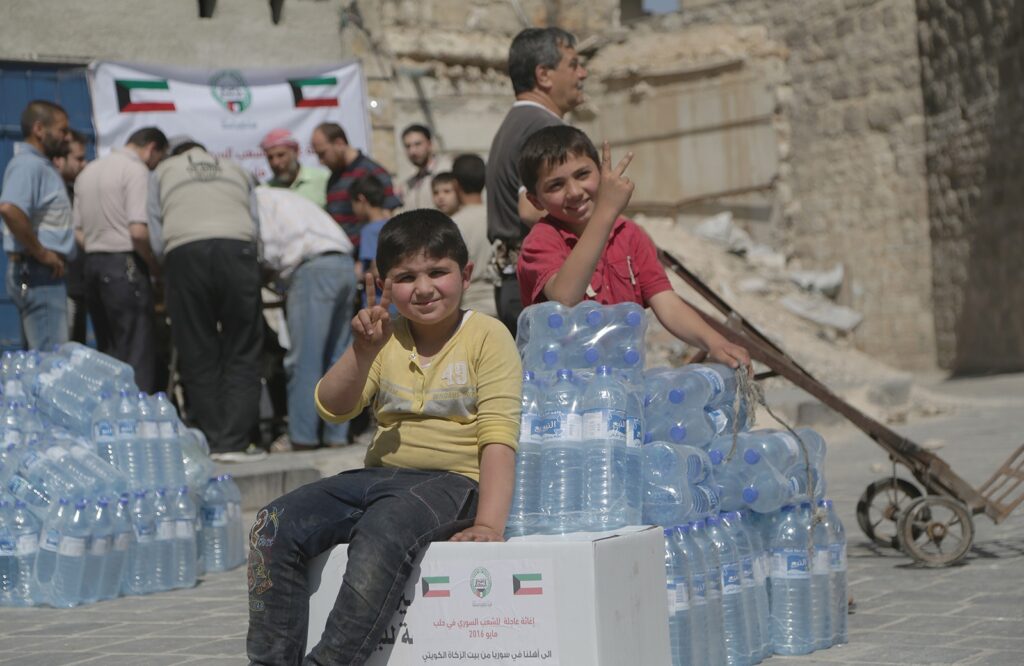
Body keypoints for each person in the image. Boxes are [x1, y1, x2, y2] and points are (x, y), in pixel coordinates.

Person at [246, 210, 521, 664]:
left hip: (453, 482)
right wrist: (362, 351)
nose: (425, 287)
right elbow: (332, 406)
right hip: (379, 477)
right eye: (406, 277)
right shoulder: (382, 335)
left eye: (438, 272)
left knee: (382, 530)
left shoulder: (488, 336)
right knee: (273, 525)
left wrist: (489, 524)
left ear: (465, 274)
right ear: (385, 285)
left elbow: (498, 436)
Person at [516, 125, 751, 370]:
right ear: (535, 200)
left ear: (601, 172)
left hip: (622, 386)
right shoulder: (541, 242)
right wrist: (606, 211)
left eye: (583, 174)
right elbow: (565, 297)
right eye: (556, 185)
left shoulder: (630, 236)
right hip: (563, 393)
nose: (574, 192)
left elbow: (667, 303)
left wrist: (714, 342)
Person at [149, 137, 266, 462]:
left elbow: (156, 229)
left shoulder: (161, 171)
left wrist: (166, 266)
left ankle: (215, 440)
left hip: (185, 254)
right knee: (243, 346)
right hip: (237, 249)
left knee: (196, 345)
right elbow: (255, 223)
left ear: (175, 154)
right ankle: (237, 441)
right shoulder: (237, 169)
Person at [486, 27, 588, 336]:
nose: (582, 73)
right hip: (538, 286)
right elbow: (530, 211)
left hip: (518, 283)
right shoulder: (540, 126)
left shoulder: (519, 122)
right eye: (572, 64)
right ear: (544, 75)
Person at [255, 185, 356, 451]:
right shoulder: (284, 197)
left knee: (305, 360)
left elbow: (270, 250)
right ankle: (337, 435)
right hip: (343, 264)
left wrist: (262, 275)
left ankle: (303, 437)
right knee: (337, 356)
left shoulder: (258, 200)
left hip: (313, 268)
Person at [74, 127, 168, 393]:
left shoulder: (88, 171)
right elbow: (138, 232)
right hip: (125, 265)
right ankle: (137, 421)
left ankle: (112, 418)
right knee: (137, 349)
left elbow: (78, 232)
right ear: (151, 148)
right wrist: (154, 267)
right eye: (158, 159)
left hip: (93, 265)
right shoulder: (136, 170)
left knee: (109, 350)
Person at [0, 100, 75, 350]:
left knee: (40, 363)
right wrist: (42, 253)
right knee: (50, 363)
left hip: (40, 272)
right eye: (62, 130)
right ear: (39, 129)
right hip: (39, 274)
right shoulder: (28, 165)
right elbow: (10, 209)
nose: (67, 137)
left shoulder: (38, 165)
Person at [311, 122, 401, 254]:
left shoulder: (373, 172)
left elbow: (385, 219)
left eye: (323, 154)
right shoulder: (334, 178)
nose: (321, 161)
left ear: (339, 143)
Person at [52, 130, 89, 344]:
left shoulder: (76, 189)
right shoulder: (54, 194)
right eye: (79, 158)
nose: (83, 164)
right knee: (63, 352)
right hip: (62, 286)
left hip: (78, 285)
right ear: (59, 160)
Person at [450, 154, 497, 316]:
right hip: (503, 302)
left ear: (455, 184)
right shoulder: (499, 217)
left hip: (470, 306)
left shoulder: (453, 224)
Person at [260, 128, 330, 207]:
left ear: (296, 152)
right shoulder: (265, 191)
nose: (275, 162)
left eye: (281, 155)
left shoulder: (324, 179)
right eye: (270, 158)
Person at [348, 174, 390, 287]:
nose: (353, 210)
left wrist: (359, 275)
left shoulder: (369, 230)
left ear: (361, 200)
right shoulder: (392, 225)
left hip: (377, 300)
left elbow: (376, 270)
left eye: (353, 204)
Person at [399, 123, 451, 210]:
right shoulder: (408, 184)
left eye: (417, 144)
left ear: (430, 144)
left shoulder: (447, 170)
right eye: (408, 146)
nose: (412, 151)